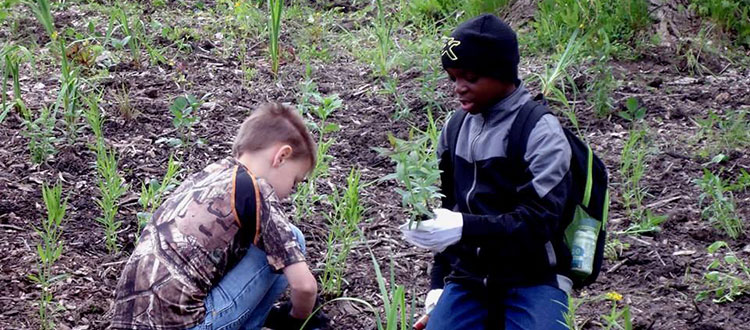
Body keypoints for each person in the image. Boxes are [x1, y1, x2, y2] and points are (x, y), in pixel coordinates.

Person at [402, 14, 573, 329]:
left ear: (502, 73)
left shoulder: (539, 131)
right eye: (453, 78)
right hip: (467, 277)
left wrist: (464, 227)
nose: (459, 88)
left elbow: (540, 222)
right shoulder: (454, 128)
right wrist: (438, 284)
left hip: (534, 277)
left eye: (470, 77)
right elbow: (446, 208)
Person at [110, 103, 328, 330]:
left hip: (131, 322)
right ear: (281, 157)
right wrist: (297, 319)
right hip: (187, 327)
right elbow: (305, 287)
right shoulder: (257, 189)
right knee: (293, 237)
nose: (289, 193)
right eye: (294, 181)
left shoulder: (207, 177)